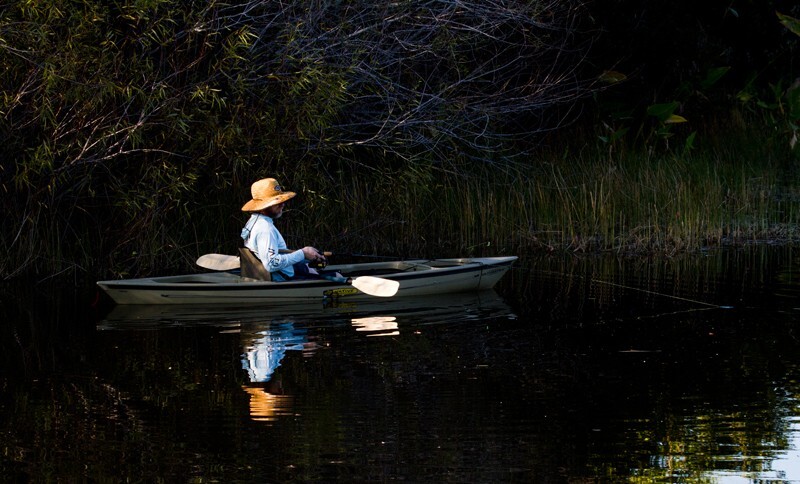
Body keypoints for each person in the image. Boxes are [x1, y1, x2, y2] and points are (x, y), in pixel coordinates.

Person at [240, 178, 328, 281]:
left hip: (272, 274)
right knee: (336, 276)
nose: (282, 204)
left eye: (282, 200)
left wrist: (304, 256)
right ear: (263, 206)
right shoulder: (265, 229)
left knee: (309, 267)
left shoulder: (253, 220)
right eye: (277, 201)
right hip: (282, 279)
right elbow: (271, 264)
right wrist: (303, 253)